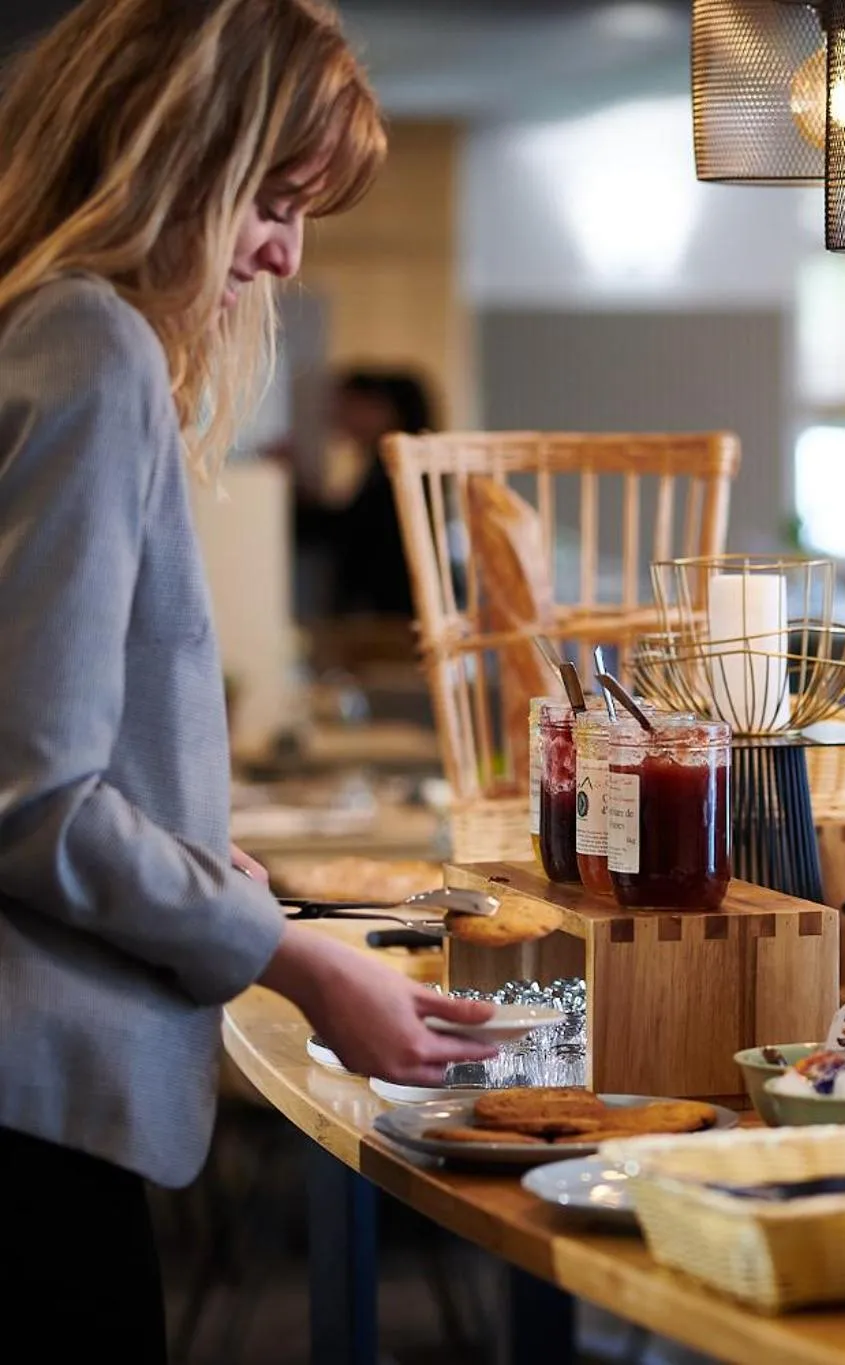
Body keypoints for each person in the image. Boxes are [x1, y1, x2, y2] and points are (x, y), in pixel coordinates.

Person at [0, 3, 499, 1356]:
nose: (283, 252)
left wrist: (188, 857)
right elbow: (33, 799)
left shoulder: (36, 334)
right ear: (171, 155)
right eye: (270, 199)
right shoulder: (88, 346)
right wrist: (293, 959)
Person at [295, 368, 434, 617]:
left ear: (382, 410)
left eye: (349, 406)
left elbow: (350, 532)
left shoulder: (394, 474)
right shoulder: (393, 471)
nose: (335, 416)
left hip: (386, 614)